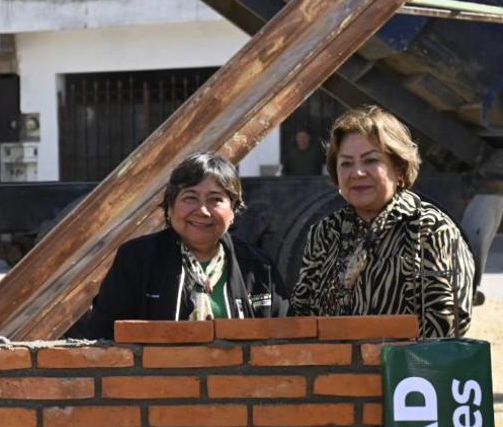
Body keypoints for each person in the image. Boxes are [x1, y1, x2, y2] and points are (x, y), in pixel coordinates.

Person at [290, 105, 473, 337]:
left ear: (399, 168)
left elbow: (447, 326)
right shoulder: (325, 231)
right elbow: (302, 312)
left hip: (407, 361)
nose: (357, 172)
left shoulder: (430, 230)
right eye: (346, 163)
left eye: (370, 160)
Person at [75, 152, 288, 339]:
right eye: (190, 198)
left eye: (215, 199)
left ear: (233, 210)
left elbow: (284, 337)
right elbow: (104, 336)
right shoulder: (136, 259)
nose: (202, 211)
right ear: (170, 207)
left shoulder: (258, 266)